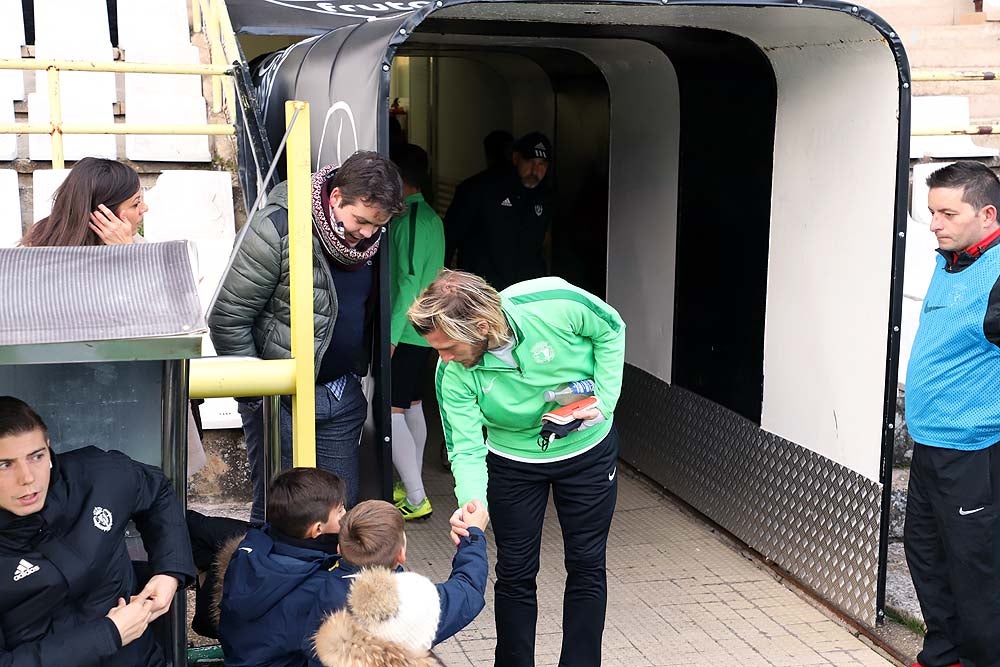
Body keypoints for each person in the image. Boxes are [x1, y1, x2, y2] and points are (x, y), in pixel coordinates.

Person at [407, 270, 626, 666]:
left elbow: (612, 329)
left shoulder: (555, 304)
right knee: (515, 573)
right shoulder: (452, 373)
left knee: (587, 564)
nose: (443, 358)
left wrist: (604, 402)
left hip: (586, 448)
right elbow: (466, 446)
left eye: (449, 347)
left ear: (482, 326)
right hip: (513, 462)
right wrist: (472, 503)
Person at [208, 150, 406, 518]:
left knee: (336, 517)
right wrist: (258, 397)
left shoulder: (371, 241)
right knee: (279, 515)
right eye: (361, 221)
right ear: (334, 198)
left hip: (342, 393)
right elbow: (227, 316)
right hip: (279, 398)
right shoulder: (277, 227)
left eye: (378, 226)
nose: (367, 233)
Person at [19, 157, 208, 478]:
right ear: (104, 213)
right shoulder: (35, 257)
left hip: (140, 401)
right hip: (67, 405)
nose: (144, 210)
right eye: (136, 203)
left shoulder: (142, 252)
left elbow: (174, 327)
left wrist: (128, 257)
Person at [0, 395, 195, 667]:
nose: (28, 478)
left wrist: (169, 572)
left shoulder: (96, 476)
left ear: (49, 448)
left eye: (36, 457)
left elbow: (157, 489)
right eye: (5, 465)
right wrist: (109, 634)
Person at [217, 482, 488, 667]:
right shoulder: (405, 603)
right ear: (401, 555)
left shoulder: (319, 584)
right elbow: (468, 591)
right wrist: (473, 536)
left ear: (339, 547)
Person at [904, 160, 1000, 667]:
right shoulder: (952, 260)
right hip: (930, 447)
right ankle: (944, 656)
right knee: (926, 556)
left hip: (974, 453)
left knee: (976, 568)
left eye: (947, 213)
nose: (935, 224)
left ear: (987, 214)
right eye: (931, 213)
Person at [388, 143, 445, 520]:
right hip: (424, 329)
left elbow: (409, 282)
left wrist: (391, 335)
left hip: (406, 330)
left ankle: (415, 495)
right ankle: (411, 482)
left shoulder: (409, 218)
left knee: (391, 411)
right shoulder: (433, 218)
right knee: (412, 407)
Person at [443, 132, 552, 290]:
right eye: (530, 161)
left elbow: (542, 245)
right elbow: (450, 237)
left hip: (523, 294)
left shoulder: (544, 196)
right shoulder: (480, 189)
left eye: (542, 164)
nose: (535, 170)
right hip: (482, 292)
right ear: (516, 158)